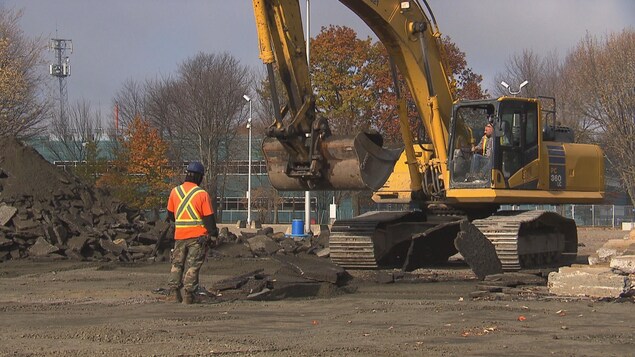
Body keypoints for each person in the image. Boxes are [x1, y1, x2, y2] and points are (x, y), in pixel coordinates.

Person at [166, 161, 218, 304]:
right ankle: (189, 295)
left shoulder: (174, 192)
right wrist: (213, 234)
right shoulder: (202, 194)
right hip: (197, 237)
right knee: (193, 266)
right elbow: (208, 218)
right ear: (199, 176)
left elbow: (170, 215)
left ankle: (173, 294)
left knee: (177, 265)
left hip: (180, 236)